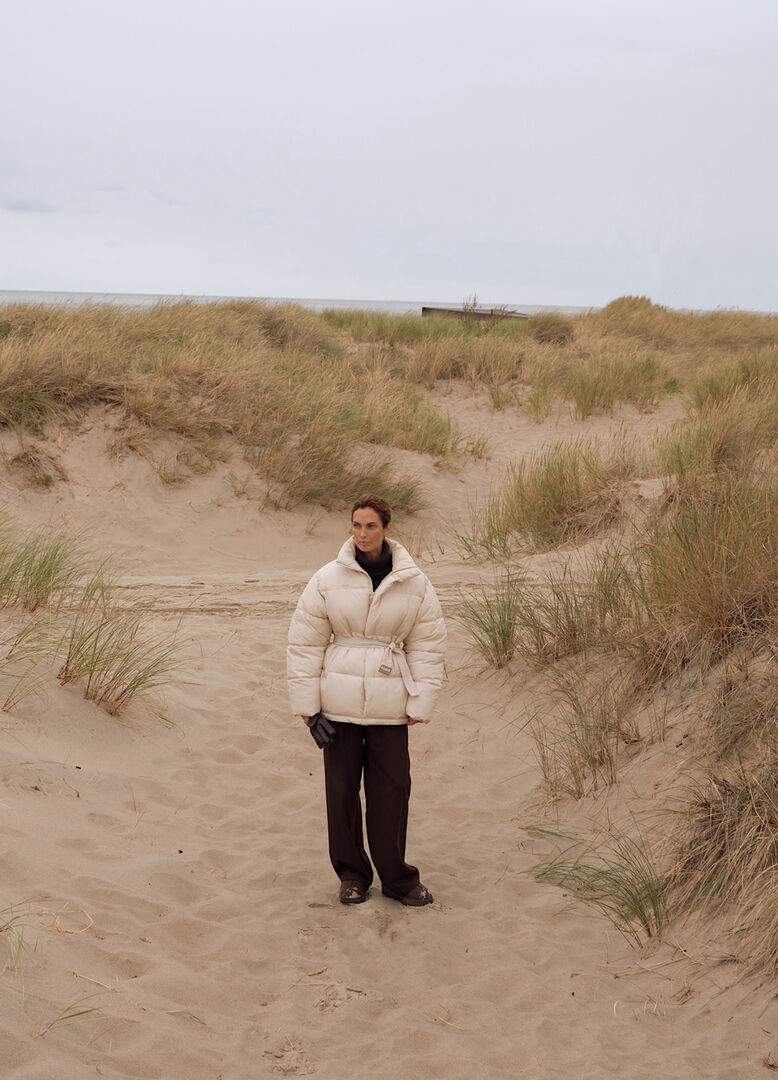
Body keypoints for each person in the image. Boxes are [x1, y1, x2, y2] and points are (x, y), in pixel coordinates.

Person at [287, 494, 447, 907]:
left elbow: (427, 645)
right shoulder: (326, 578)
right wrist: (308, 707)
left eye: (371, 526)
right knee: (340, 792)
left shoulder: (415, 582)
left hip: (391, 699)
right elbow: (305, 643)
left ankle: (398, 878)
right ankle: (353, 876)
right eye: (357, 526)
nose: (363, 534)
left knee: (392, 790)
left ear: (387, 529)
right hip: (336, 702)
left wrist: (421, 703)